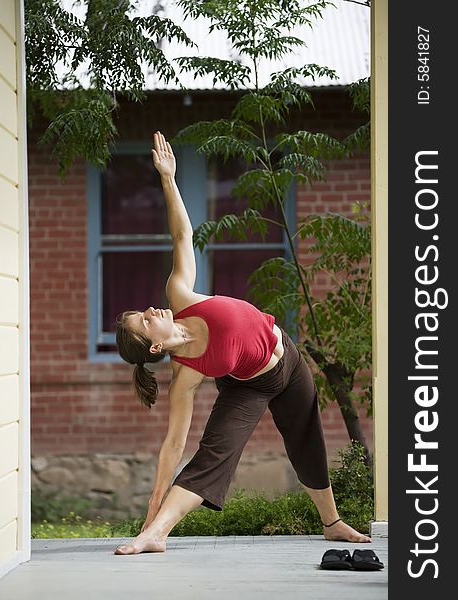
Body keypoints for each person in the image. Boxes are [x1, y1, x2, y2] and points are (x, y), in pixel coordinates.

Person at [114, 132, 371, 555]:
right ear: (154, 348)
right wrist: (153, 503)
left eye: (142, 311)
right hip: (248, 385)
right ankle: (157, 534)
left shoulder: (180, 298)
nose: (149, 310)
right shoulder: (186, 375)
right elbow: (174, 444)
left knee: (306, 437)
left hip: (286, 357)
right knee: (215, 454)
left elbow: (182, 237)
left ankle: (333, 523)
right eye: (144, 321)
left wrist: (168, 180)